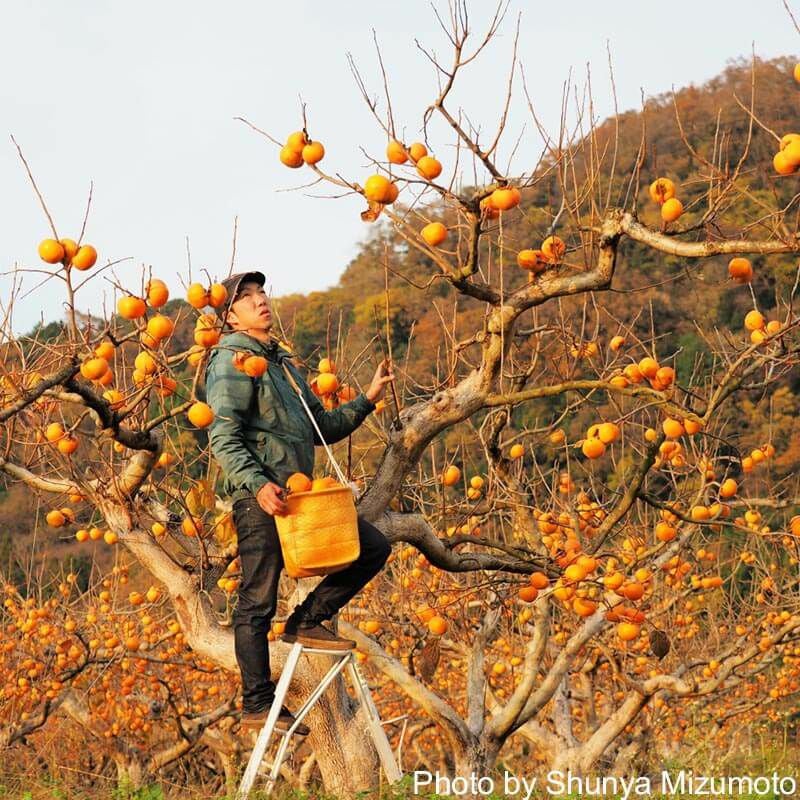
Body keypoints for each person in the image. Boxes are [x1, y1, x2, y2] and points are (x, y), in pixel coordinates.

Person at [204, 271, 394, 736]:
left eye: (261, 293)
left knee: (371, 548)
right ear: (229, 317)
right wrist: (256, 483)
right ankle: (257, 705)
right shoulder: (230, 361)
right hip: (262, 496)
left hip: (302, 494)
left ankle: (308, 620)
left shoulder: (283, 365)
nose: (260, 301)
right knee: (257, 599)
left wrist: (367, 400)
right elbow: (223, 436)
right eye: (247, 299)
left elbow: (321, 427)